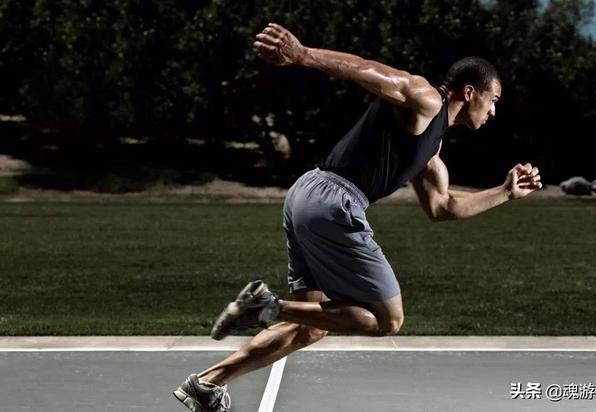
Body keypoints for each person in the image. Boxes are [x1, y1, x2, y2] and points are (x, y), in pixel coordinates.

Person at [173, 22, 543, 412]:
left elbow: (443, 207)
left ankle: (207, 383)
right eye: (494, 99)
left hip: (306, 195)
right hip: (334, 200)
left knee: (313, 325)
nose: (494, 110)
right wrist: (303, 55)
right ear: (469, 92)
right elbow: (369, 70)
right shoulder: (426, 100)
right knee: (387, 320)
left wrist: (505, 192)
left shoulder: (431, 149)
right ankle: (265, 307)